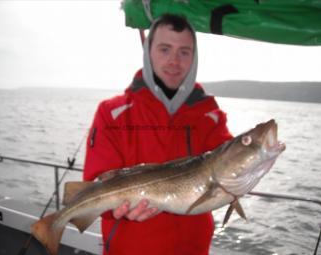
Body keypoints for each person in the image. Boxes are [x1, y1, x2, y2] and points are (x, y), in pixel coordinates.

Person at [83, 14, 232, 255]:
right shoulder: (112, 113)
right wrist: (115, 209)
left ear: (194, 58)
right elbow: (97, 182)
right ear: (148, 51)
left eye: (184, 52)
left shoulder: (210, 117)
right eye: (165, 49)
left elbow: (228, 170)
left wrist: (254, 164)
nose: (174, 60)